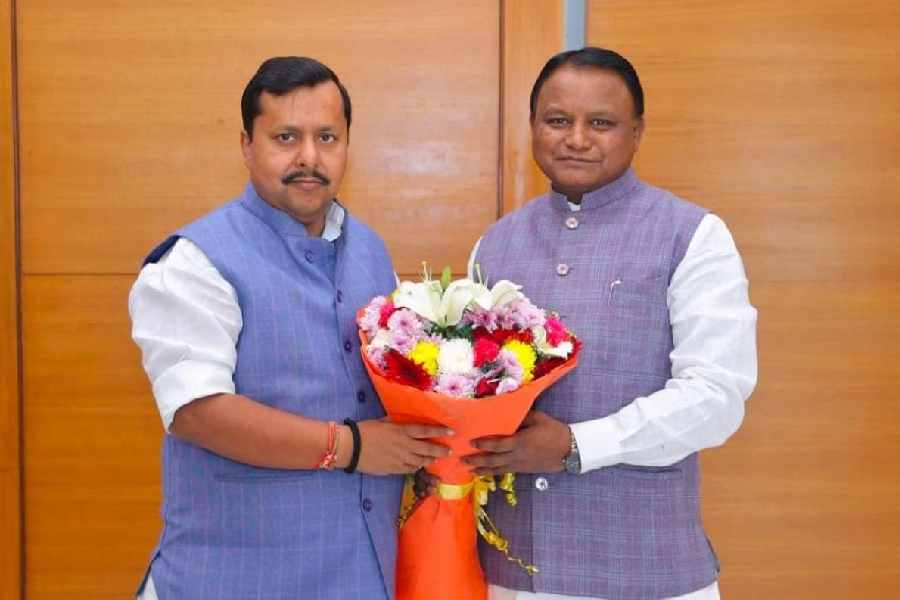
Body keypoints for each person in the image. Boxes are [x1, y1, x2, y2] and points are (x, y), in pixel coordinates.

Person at [128, 56, 449, 600]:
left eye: (327, 137)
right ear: (246, 145)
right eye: (285, 137)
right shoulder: (193, 261)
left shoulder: (372, 252)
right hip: (231, 579)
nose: (309, 157)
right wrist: (348, 447)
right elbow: (196, 412)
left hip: (362, 574)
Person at [464, 47, 758, 600]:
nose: (577, 138)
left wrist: (578, 444)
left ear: (636, 132)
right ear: (532, 127)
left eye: (600, 123)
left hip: (649, 570)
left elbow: (717, 398)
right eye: (557, 121)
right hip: (513, 569)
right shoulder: (495, 244)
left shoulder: (692, 236)